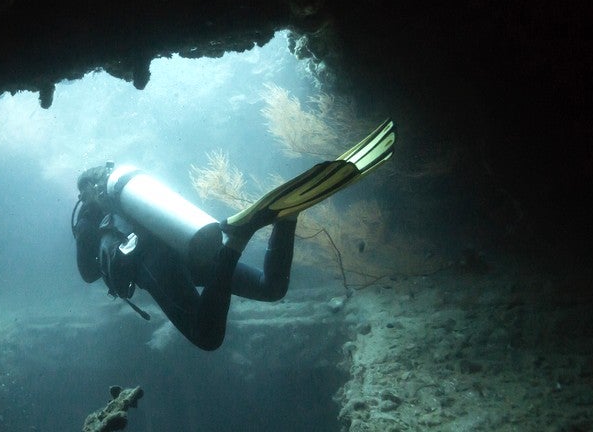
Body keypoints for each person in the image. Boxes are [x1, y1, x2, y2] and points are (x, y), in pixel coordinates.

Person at [72, 120, 396, 350]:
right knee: (271, 288)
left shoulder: (93, 213)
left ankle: (236, 242)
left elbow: (88, 274)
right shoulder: (132, 198)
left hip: (154, 261)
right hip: (185, 240)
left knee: (206, 336)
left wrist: (84, 223)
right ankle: (287, 219)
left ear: (89, 191)